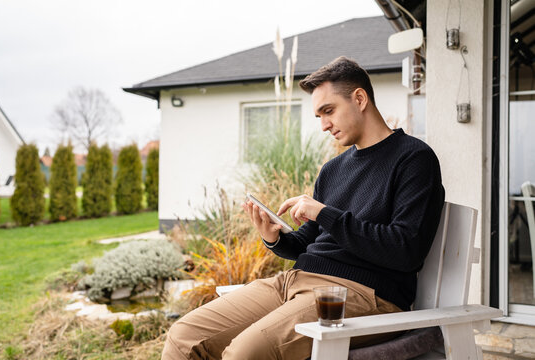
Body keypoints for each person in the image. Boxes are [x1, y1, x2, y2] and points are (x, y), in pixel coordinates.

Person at [161, 56, 445, 360]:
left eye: (328, 111)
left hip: (364, 294)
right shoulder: (333, 169)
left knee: (244, 353)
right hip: (293, 282)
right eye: (319, 116)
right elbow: (307, 243)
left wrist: (324, 212)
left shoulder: (414, 159)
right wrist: (275, 237)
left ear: (360, 98)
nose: (324, 125)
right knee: (184, 336)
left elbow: (406, 249)